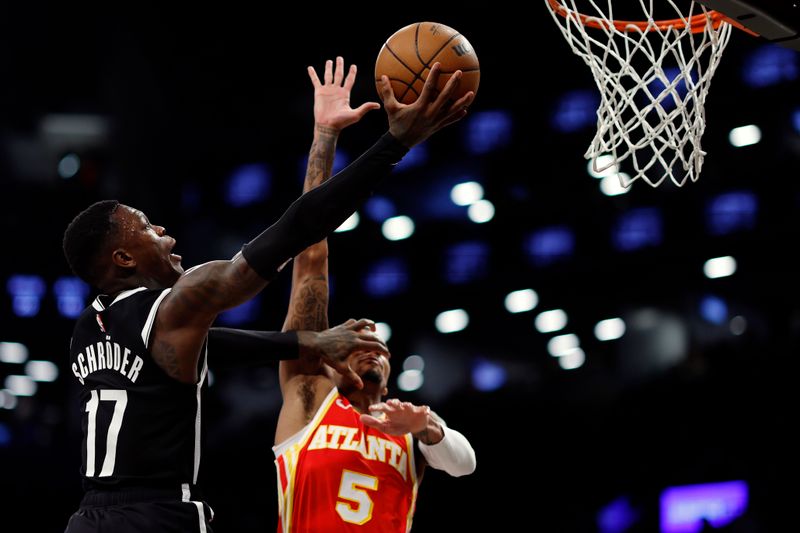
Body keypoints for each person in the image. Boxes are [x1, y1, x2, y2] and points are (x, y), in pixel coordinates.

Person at [62, 55, 474, 533]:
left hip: (89, 518)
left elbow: (206, 348)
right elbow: (298, 233)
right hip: (157, 515)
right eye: (147, 229)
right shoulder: (184, 310)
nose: (164, 232)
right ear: (124, 259)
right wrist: (395, 143)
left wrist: (306, 343)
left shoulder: (88, 329)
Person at [273, 57, 477, 532]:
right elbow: (310, 259)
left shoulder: (407, 425)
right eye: (356, 333)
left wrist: (427, 427)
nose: (367, 336)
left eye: (377, 339)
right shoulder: (311, 396)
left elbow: (464, 463)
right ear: (332, 356)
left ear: (390, 366)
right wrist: (325, 138)